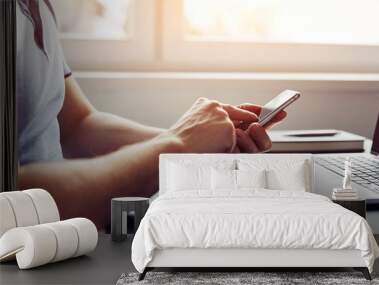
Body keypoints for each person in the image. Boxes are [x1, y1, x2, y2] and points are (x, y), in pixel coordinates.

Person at [17, 0, 286, 230]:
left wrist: (197, 144)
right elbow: (14, 194)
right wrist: (176, 147)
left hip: (65, 239)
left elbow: (77, 126)